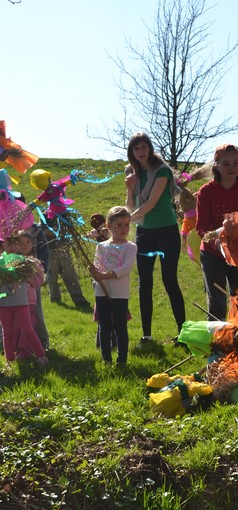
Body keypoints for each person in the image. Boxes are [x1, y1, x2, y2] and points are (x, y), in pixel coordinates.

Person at [125, 131, 186, 345]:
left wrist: (125, 221)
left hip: (167, 232)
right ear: (132, 152)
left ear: (150, 148)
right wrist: (129, 189)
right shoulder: (132, 173)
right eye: (136, 148)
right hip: (145, 234)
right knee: (145, 283)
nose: (141, 152)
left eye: (144, 147)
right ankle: (147, 336)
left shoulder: (162, 171)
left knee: (170, 281)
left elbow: (150, 203)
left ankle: (183, 334)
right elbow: (131, 205)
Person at [195, 143, 238, 320]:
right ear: (216, 165)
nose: (232, 168)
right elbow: (202, 227)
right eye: (226, 164)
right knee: (217, 302)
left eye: (236, 163)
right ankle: (218, 336)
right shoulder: (206, 192)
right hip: (212, 253)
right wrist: (218, 242)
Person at [88, 206, 137, 366]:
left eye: (126, 225)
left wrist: (104, 275)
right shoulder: (101, 246)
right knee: (104, 326)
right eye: (118, 225)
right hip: (102, 292)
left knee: (120, 326)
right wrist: (94, 273)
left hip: (119, 293)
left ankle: (122, 359)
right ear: (108, 226)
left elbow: (125, 269)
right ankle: (106, 359)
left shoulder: (130, 247)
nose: (123, 229)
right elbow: (97, 267)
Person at [0, 234, 48, 367]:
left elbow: (33, 277)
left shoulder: (24, 262)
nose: (12, 247)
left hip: (21, 303)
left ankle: (41, 355)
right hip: (4, 304)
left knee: (28, 329)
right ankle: (10, 360)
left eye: (15, 244)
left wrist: (18, 276)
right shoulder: (1, 261)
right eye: (8, 244)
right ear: (3, 245)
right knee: (7, 332)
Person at [42, 225, 91, 309]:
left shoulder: (65, 217)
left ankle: (79, 300)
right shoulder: (45, 218)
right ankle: (56, 301)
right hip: (51, 250)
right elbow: (46, 231)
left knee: (70, 276)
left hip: (64, 249)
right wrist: (60, 230)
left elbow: (70, 229)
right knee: (52, 277)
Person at [15, 230, 45, 359]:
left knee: (28, 326)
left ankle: (25, 351)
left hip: (29, 301)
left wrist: (27, 277)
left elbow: (39, 280)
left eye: (28, 242)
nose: (24, 245)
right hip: (14, 300)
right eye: (20, 242)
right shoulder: (11, 261)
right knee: (16, 326)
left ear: (32, 245)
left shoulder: (35, 262)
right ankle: (15, 349)